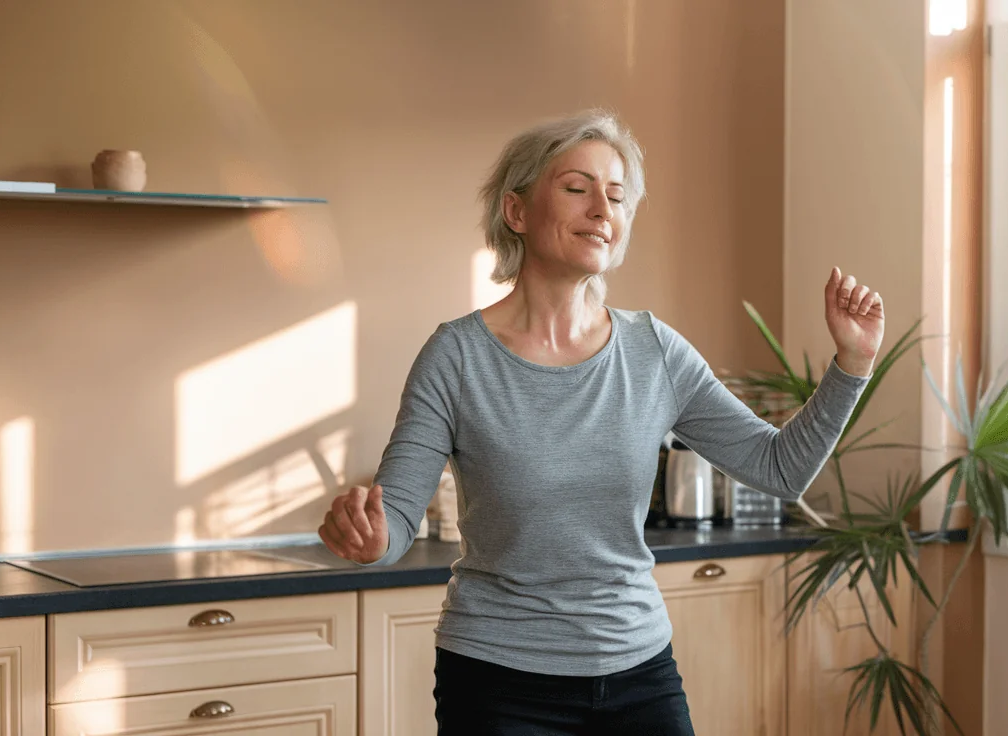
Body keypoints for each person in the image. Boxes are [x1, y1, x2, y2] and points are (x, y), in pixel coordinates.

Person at [317, 109, 884, 735]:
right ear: (517, 211)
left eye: (617, 196)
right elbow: (396, 517)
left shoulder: (656, 353)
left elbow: (782, 468)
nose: (602, 209)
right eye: (576, 187)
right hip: (498, 682)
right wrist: (371, 538)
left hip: (639, 672)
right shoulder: (456, 357)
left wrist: (852, 363)